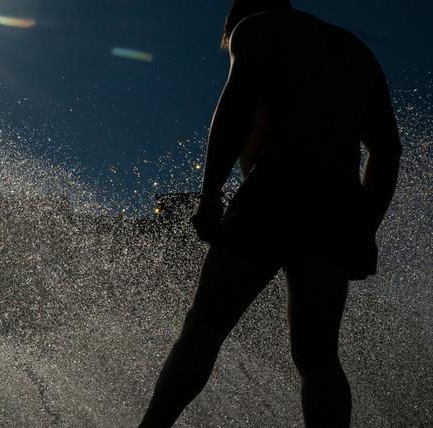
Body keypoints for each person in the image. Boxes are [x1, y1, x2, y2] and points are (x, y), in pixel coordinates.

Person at [139, 0, 402, 427]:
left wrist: (210, 196)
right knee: (318, 356)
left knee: (204, 329)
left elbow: (236, 106)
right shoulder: (355, 50)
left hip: (274, 189)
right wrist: (364, 227)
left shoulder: (257, 28)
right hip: (336, 206)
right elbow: (387, 150)